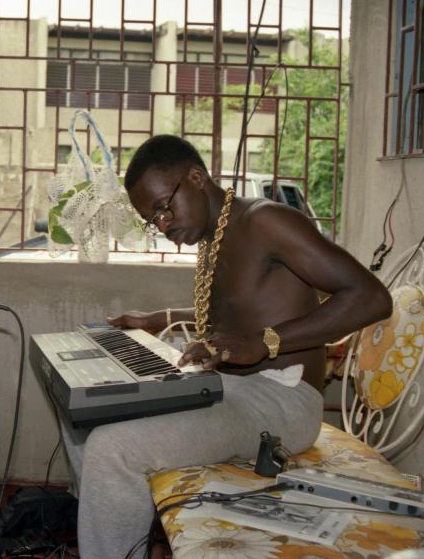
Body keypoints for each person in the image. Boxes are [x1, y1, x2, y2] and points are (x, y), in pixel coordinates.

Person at [61, 135, 392, 559]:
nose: (162, 225)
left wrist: (266, 343)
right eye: (152, 219)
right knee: (85, 415)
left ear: (196, 178)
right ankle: (134, 541)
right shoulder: (214, 237)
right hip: (228, 390)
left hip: (282, 403)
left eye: (164, 208)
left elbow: (371, 297)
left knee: (113, 448)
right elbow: (236, 313)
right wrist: (151, 321)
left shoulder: (265, 221)